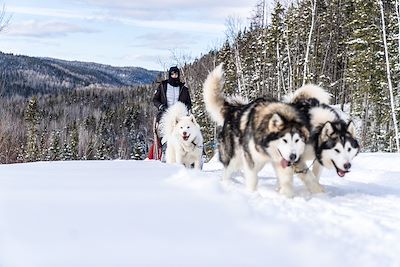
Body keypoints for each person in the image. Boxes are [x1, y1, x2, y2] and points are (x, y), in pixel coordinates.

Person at [152, 66, 192, 160]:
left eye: (176, 74)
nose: (174, 76)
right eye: (172, 74)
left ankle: (192, 152)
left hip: (180, 115)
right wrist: (161, 106)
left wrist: (186, 108)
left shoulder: (183, 88)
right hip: (165, 113)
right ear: (170, 74)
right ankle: (164, 149)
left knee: (188, 130)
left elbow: (189, 103)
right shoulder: (163, 86)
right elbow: (155, 99)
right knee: (163, 130)